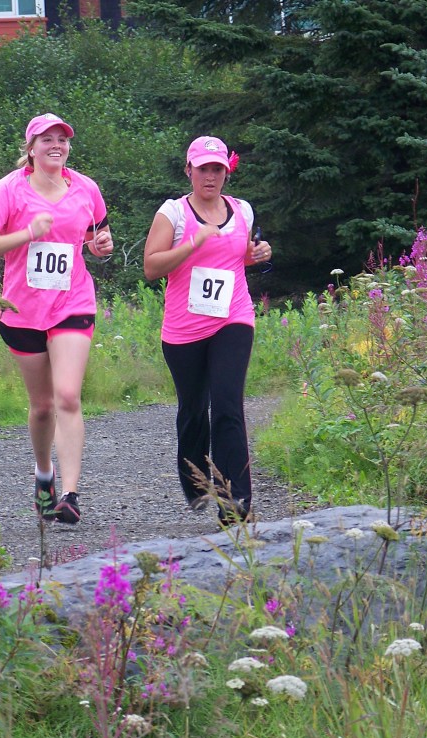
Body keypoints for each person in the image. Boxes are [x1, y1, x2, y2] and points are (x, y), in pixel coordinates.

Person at [0, 113, 113, 525]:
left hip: (73, 304)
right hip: (22, 311)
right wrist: (28, 233)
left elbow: (96, 233)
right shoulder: (7, 191)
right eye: (46, 139)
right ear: (30, 148)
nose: (56, 145)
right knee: (43, 406)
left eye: (62, 139)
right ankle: (43, 475)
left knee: (68, 396)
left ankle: (70, 494)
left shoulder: (86, 188)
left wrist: (100, 245)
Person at [143, 136, 272, 524]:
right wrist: (191, 245)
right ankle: (196, 481)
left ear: (226, 172)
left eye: (217, 169)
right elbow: (152, 268)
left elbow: (239, 256)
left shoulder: (242, 210)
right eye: (204, 169)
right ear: (190, 171)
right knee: (194, 411)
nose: (211, 176)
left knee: (228, 406)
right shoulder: (174, 213)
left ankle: (236, 504)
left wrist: (259, 256)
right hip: (183, 329)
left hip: (233, 318)